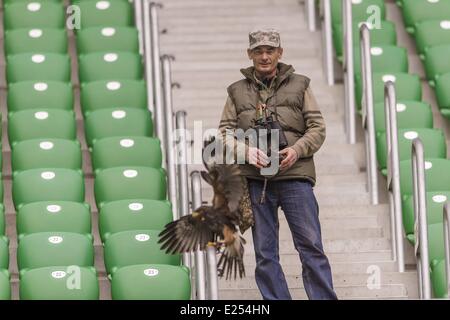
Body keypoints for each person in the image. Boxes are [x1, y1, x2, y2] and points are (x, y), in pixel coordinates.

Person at [217, 28, 338, 300]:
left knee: (311, 246)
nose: (264, 56)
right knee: (265, 253)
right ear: (250, 54)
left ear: (280, 52)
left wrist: (297, 150)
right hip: (256, 182)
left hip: (296, 178)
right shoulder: (236, 91)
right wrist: (246, 152)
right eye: (258, 51)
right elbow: (223, 133)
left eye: (270, 50)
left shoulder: (301, 84)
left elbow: (317, 128)